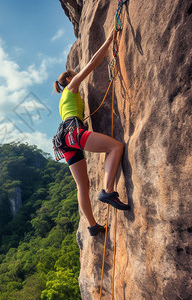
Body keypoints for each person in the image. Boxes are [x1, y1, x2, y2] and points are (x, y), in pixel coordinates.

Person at [53, 28, 130, 237]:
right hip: (73, 132)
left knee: (82, 185)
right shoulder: (71, 88)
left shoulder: (63, 100)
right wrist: (108, 40)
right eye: (73, 73)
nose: (76, 74)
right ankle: (107, 191)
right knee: (116, 147)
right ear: (69, 79)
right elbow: (92, 64)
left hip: (64, 139)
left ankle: (93, 225)